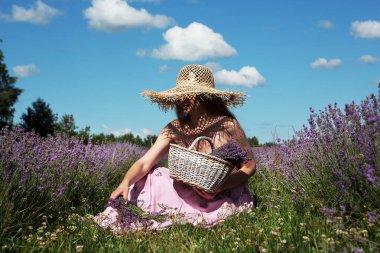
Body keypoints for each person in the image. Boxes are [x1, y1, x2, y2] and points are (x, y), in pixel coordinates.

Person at [93, 65, 256, 232]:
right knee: (152, 175)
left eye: (189, 92)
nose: (182, 97)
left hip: (221, 194)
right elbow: (144, 162)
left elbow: (249, 166)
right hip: (186, 192)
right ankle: (141, 211)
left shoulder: (228, 125)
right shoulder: (174, 128)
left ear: (205, 95)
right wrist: (125, 182)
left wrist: (222, 185)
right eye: (180, 93)